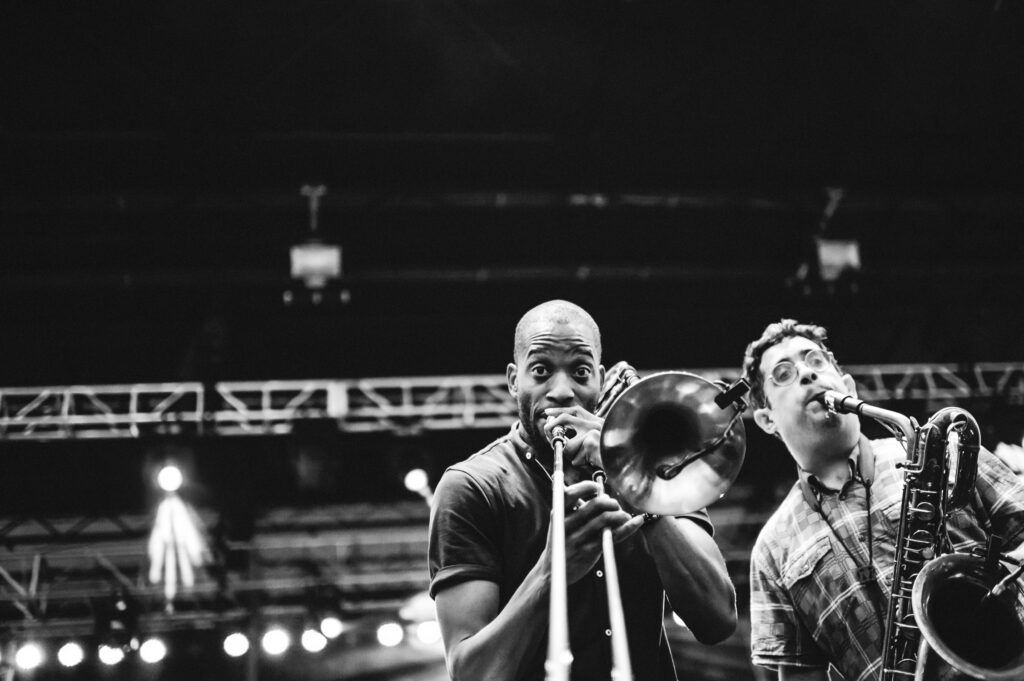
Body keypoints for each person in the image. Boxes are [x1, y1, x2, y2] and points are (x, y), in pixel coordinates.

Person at [428, 299, 737, 681]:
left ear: (600, 379)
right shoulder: (471, 487)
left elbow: (718, 620)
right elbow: (470, 673)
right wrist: (550, 571)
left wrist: (636, 481)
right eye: (540, 370)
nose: (561, 390)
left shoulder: (656, 469)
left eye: (580, 370)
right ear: (513, 380)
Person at [742, 319, 1024, 681]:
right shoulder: (770, 549)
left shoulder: (943, 455)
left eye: (815, 360)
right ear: (766, 420)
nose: (806, 375)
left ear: (847, 385)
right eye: (783, 373)